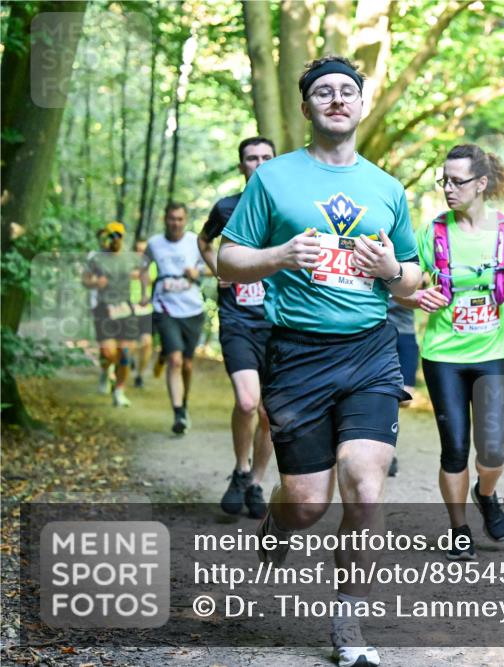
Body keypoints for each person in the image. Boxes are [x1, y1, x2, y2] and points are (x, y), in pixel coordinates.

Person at [217, 55, 420, 667]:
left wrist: (392, 273)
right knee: (307, 504)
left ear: (361, 104)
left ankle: (349, 621)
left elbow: (412, 278)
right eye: (324, 93)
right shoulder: (274, 180)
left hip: (368, 352)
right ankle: (279, 525)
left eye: (347, 91)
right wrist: (279, 255)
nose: (337, 99)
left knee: (365, 484)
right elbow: (229, 261)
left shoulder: (387, 188)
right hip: (296, 356)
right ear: (307, 108)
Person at [399, 144, 504, 561]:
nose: (448, 189)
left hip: (492, 351)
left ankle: (486, 494)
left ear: (481, 184)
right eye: (444, 181)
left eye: (457, 182)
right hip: (443, 356)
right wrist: (418, 296)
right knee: (454, 447)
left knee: (492, 450)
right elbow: (403, 289)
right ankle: (459, 529)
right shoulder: (432, 233)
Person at [198, 136, 277, 519]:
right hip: (238, 320)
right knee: (247, 401)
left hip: (280, 322)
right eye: (251, 158)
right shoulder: (226, 207)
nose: (259, 163)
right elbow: (203, 239)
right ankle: (241, 470)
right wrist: (219, 269)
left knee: (269, 413)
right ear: (241, 165)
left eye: (266, 157)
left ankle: (257, 481)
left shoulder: (288, 208)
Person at [141, 202, 207, 435]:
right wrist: (142, 294)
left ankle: (184, 403)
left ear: (185, 220)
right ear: (165, 219)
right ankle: (178, 412)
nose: (175, 223)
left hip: (193, 310)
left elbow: (216, 265)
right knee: (176, 361)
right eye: (171, 219)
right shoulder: (154, 244)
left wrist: (198, 272)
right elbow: (142, 267)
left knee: (187, 365)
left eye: (180, 219)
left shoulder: (195, 241)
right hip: (164, 307)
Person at [82, 222, 146, 407]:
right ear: (106, 237)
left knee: (125, 352)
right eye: (112, 236)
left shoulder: (131, 258)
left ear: (123, 237)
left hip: (125, 308)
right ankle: (105, 371)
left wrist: (143, 294)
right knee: (108, 353)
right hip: (104, 308)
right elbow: (85, 280)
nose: (115, 239)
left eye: (118, 235)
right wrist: (95, 282)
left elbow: (143, 274)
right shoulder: (97, 258)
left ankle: (119, 391)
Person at [384, 297, 418, 477]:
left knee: (405, 398)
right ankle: (388, 451)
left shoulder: (415, 267)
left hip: (404, 332)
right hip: (375, 332)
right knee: (379, 394)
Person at [130, 238, 155, 389]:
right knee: (131, 345)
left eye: (143, 251)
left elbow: (154, 279)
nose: (141, 254)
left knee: (147, 343)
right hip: (129, 309)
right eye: (138, 250)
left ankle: (139, 375)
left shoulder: (152, 267)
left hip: (147, 310)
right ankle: (129, 362)